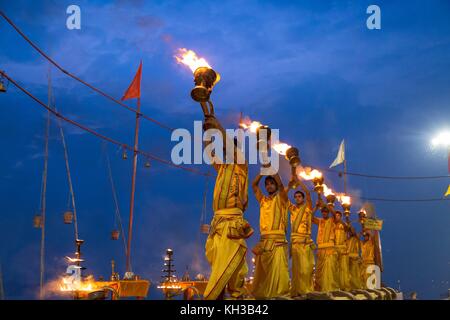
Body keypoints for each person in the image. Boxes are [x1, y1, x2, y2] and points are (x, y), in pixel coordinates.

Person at [202, 114, 254, 300]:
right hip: (218, 223)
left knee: (231, 261)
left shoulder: (242, 166)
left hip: (232, 222)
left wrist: (218, 126)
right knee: (218, 260)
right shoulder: (222, 167)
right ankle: (223, 295)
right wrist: (207, 132)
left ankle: (234, 295)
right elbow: (209, 152)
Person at [251, 168, 290, 299]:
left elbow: (281, 186)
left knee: (278, 270)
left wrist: (273, 170)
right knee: (263, 271)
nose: (269, 186)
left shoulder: (282, 198)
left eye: (271, 183)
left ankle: (279, 294)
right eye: (267, 184)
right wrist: (262, 171)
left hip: (278, 241)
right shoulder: (263, 200)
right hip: (264, 241)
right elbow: (254, 185)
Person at [288, 168, 315, 296]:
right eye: (296, 197)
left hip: (305, 242)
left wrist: (299, 182)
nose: (297, 198)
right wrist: (289, 185)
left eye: (299, 196)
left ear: (303, 198)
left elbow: (308, 194)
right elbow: (283, 197)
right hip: (295, 243)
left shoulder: (307, 208)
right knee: (296, 269)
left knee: (306, 268)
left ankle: (306, 291)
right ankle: (297, 291)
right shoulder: (292, 209)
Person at [312, 199, 338, 292]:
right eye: (323, 212)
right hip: (320, 249)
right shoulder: (320, 221)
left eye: (326, 212)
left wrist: (326, 205)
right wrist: (316, 207)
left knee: (329, 270)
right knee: (319, 271)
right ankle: (320, 289)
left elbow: (335, 214)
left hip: (330, 249)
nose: (324, 213)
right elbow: (310, 217)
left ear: (328, 213)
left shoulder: (332, 220)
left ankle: (329, 289)